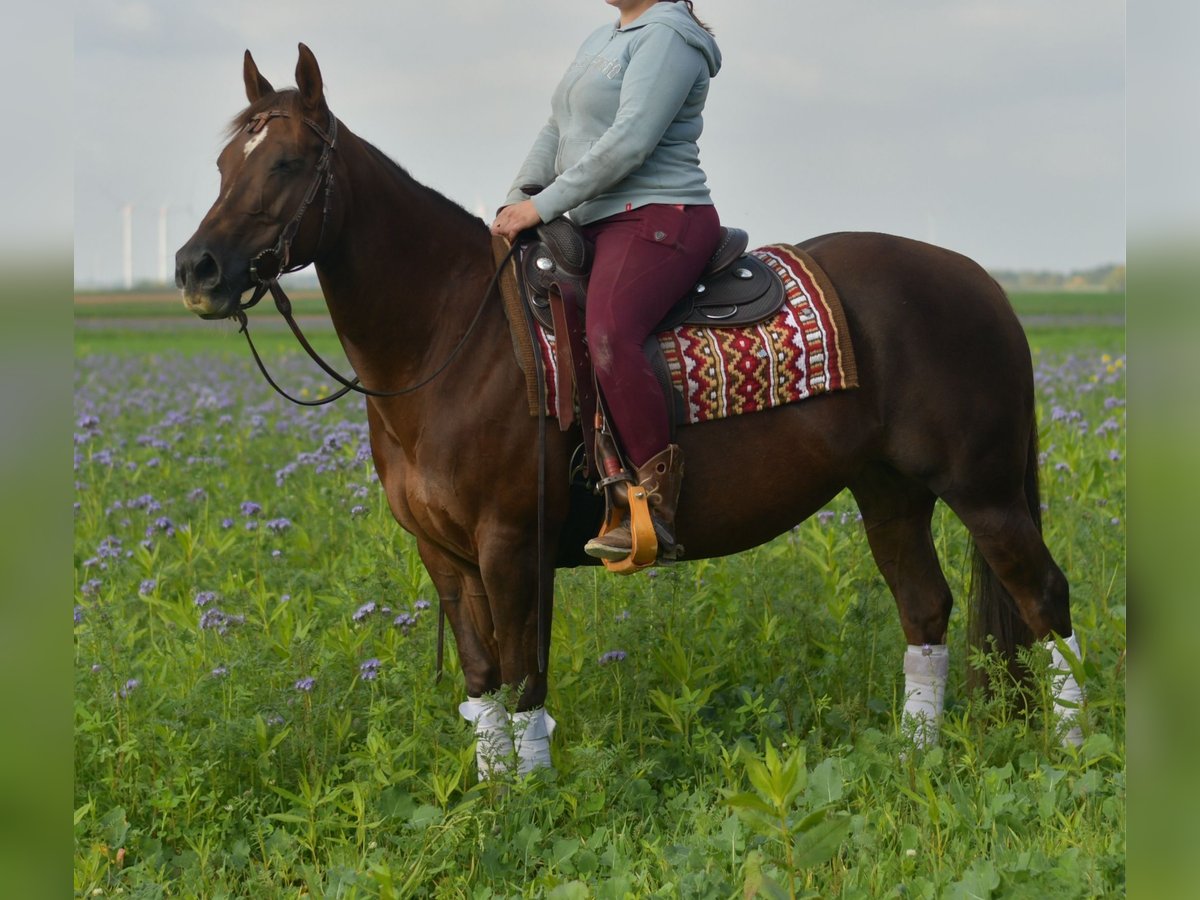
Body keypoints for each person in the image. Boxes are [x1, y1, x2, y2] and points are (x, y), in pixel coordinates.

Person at [491, 0, 722, 561]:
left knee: (610, 331)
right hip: (591, 218)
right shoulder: (603, 37)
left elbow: (630, 141)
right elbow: (557, 127)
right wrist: (519, 196)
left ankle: (653, 508)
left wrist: (542, 207)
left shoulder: (669, 35)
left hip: (659, 216)